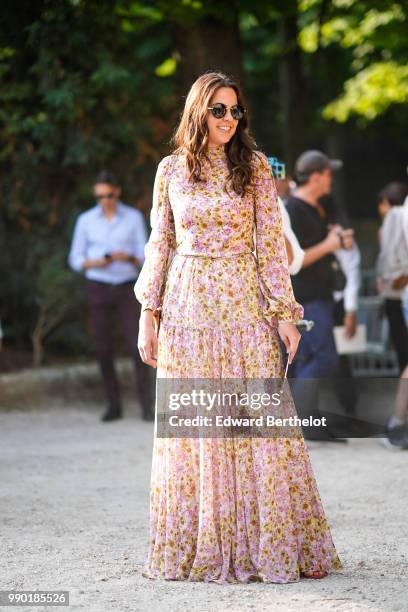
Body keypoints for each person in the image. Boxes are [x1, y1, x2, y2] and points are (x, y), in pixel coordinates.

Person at [134, 72, 342, 583]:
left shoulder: (252, 167)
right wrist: (148, 311)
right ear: (198, 112)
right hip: (186, 309)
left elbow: (271, 248)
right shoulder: (170, 170)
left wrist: (286, 315)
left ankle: (261, 546)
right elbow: (160, 242)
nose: (230, 120)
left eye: (235, 111)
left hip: (244, 307)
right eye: (219, 110)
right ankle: (200, 544)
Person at [68, 170, 154, 422]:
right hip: (99, 285)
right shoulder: (85, 220)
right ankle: (113, 405)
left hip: (128, 285)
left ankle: (146, 406)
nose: (104, 200)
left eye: (108, 194)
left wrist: (126, 257)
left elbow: (146, 255)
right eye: (99, 196)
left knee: (137, 345)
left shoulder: (133, 217)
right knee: (103, 347)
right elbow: (75, 259)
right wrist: (100, 261)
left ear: (117, 192)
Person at [286, 151, 354, 440]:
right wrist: (329, 245)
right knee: (323, 357)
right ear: (315, 176)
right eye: (327, 174)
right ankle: (303, 421)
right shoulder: (292, 210)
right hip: (306, 298)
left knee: (317, 357)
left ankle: (306, 420)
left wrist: (338, 240)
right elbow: (291, 262)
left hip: (322, 296)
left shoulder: (318, 207)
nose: (330, 179)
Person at [376, 181, 408, 448]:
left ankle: (398, 422)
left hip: (397, 293)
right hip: (399, 292)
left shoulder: (395, 217)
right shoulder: (398, 216)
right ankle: (398, 423)